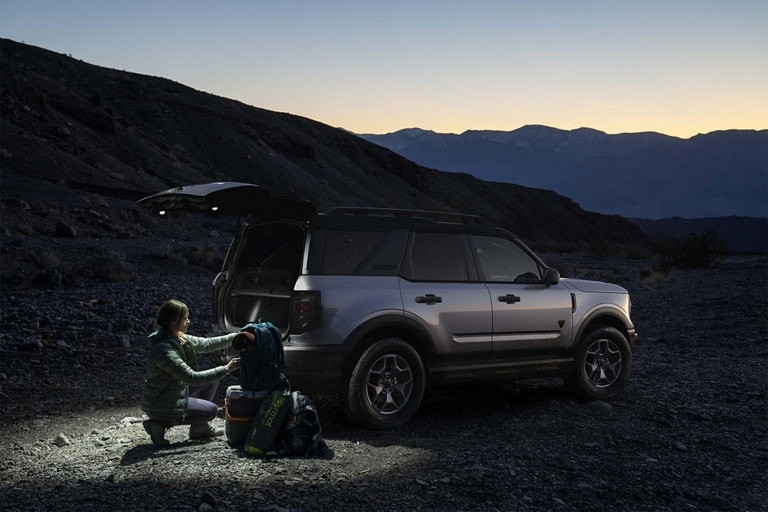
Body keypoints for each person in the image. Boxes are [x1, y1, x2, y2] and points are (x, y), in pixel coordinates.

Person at [140, 299, 241, 446]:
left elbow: (207, 344)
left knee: (213, 379)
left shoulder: (178, 337)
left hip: (171, 391)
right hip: (160, 401)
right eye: (185, 318)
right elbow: (191, 378)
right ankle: (161, 423)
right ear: (173, 321)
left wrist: (237, 336)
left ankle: (199, 428)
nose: (189, 322)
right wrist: (227, 368)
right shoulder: (164, 350)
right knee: (211, 411)